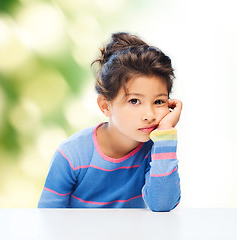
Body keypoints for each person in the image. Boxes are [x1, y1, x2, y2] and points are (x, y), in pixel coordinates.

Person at [38, 32, 182, 212]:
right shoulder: (72, 154)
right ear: (105, 106)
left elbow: (162, 205)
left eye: (159, 101)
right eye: (134, 101)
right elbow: (46, 218)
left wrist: (166, 131)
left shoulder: (156, 150)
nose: (150, 115)